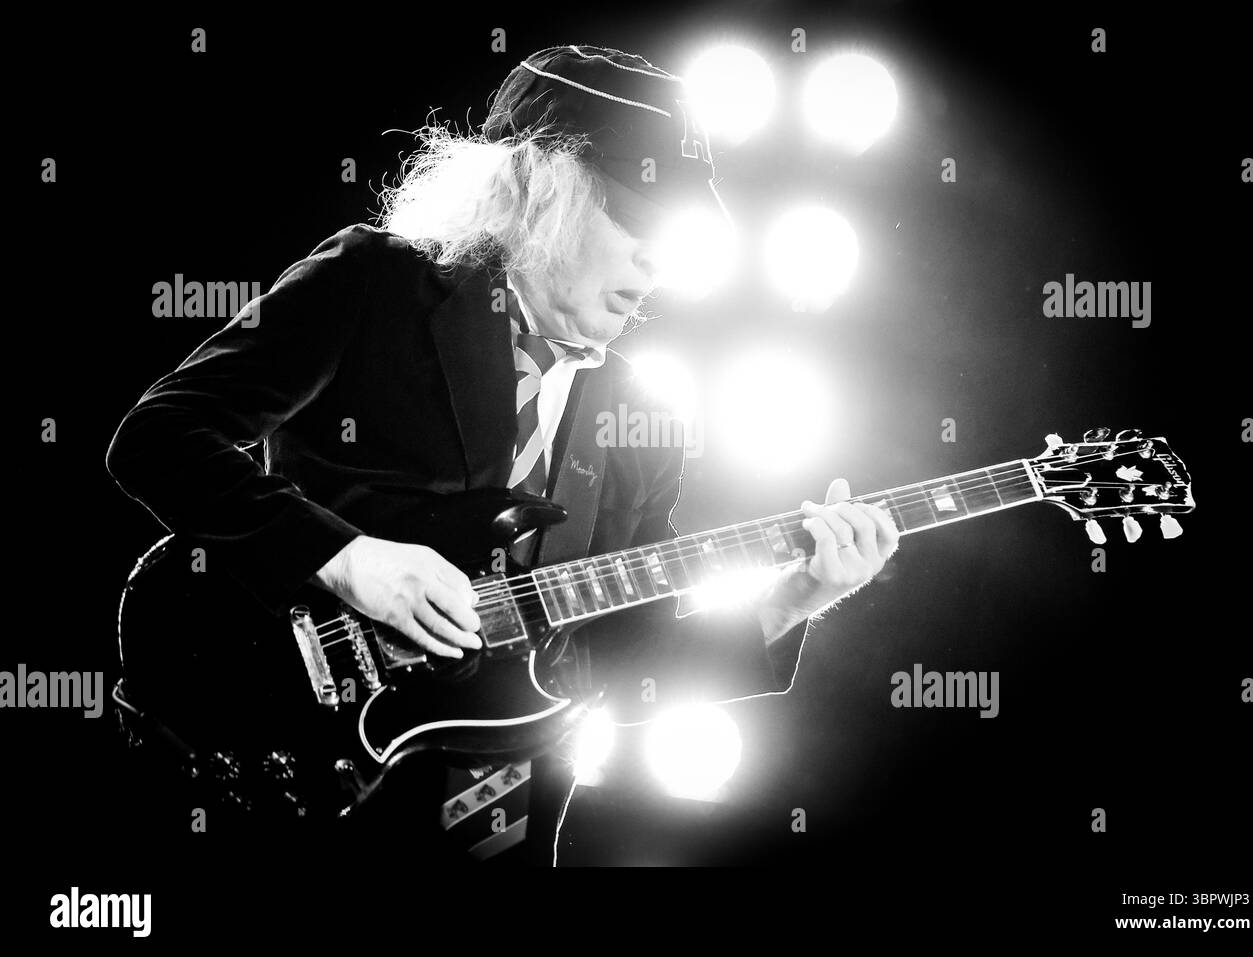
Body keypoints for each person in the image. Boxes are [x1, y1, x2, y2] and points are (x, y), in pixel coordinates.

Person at [106, 44, 900, 864]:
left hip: (495, 816)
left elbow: (617, 658)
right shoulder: (377, 284)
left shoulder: (644, 413)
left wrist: (792, 598)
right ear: (538, 186)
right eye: (638, 219)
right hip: (281, 742)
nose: (657, 262)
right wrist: (348, 558)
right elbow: (159, 437)